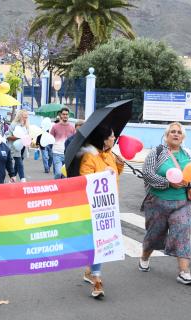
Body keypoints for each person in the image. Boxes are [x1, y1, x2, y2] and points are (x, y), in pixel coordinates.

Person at [139, 122, 191, 285]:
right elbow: (148, 174)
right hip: (157, 202)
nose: (176, 134)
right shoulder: (157, 152)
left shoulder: (188, 154)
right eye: (172, 132)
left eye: (179, 132)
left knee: (183, 234)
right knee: (154, 234)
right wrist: (168, 182)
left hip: (182, 203)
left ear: (183, 137)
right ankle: (144, 257)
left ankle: (184, 272)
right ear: (166, 136)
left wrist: (190, 182)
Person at [79, 125, 124, 298]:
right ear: (104, 139)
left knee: (99, 242)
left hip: (110, 206)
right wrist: (102, 174)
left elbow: (115, 176)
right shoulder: (90, 156)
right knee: (100, 242)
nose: (114, 138)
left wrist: (119, 166)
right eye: (112, 136)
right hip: (94, 207)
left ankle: (90, 272)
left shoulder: (111, 154)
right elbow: (85, 178)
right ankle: (97, 280)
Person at [50, 107, 75, 179]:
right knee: (58, 173)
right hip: (57, 153)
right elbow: (51, 139)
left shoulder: (72, 128)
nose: (65, 116)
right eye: (63, 114)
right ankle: (56, 186)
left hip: (67, 154)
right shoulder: (55, 127)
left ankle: (61, 189)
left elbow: (74, 140)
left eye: (67, 114)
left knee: (65, 175)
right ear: (60, 115)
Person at [6, 109, 30, 182]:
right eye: (24, 117)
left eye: (27, 117)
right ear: (20, 116)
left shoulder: (26, 125)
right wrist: (19, 137)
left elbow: (26, 136)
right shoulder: (14, 124)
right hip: (15, 147)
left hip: (23, 147)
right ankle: (23, 179)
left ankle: (12, 179)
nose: (26, 118)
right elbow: (8, 136)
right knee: (19, 163)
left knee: (17, 165)